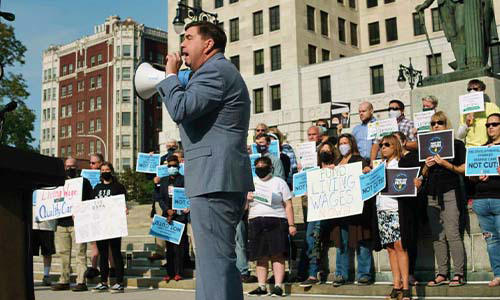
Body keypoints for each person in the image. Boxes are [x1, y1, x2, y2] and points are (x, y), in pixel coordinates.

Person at [155, 21, 254, 300]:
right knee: (219, 264)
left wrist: (170, 77)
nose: (182, 45)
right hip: (217, 177)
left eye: (188, 38)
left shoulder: (214, 71)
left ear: (208, 44)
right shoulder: (216, 71)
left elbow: (181, 108)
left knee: (213, 266)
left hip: (213, 180)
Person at [421, 111, 467, 287]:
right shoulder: (426, 146)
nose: (435, 126)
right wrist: (426, 166)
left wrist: (446, 164)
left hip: (450, 191)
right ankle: (442, 273)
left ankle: (459, 273)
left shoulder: (456, 144)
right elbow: (422, 175)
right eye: (432, 123)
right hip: (432, 193)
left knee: (453, 233)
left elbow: (464, 168)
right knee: (437, 236)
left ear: (446, 124)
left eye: (439, 122)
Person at [247, 157, 297, 296]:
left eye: (263, 166)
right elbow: (244, 207)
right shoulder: (250, 183)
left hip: (277, 221)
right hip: (256, 221)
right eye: (258, 166)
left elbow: (288, 205)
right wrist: (247, 199)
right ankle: (261, 286)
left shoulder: (279, 182)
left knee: (277, 255)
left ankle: (278, 286)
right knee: (260, 256)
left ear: (270, 167)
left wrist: (291, 224)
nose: (260, 168)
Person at [329, 134, 373, 287]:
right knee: (342, 242)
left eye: (345, 143)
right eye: (340, 143)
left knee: (361, 240)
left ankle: (364, 274)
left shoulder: (359, 161)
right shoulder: (336, 162)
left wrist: (367, 170)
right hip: (341, 211)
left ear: (351, 144)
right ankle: (341, 274)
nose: (342, 146)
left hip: (357, 210)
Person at [374, 134, 412, 300]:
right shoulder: (380, 166)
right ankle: (396, 286)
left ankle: (406, 288)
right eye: (381, 144)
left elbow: (411, 181)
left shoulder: (401, 163)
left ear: (395, 145)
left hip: (396, 209)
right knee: (390, 248)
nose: (383, 147)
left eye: (387, 144)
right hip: (382, 209)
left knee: (400, 246)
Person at [299, 142, 340, 287]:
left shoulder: (337, 168)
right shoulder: (312, 170)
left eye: (328, 150)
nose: (325, 152)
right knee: (311, 238)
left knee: (315, 234)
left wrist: (335, 171)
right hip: (315, 210)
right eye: (322, 150)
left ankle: (313, 273)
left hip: (330, 211)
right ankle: (313, 271)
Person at [51, 157, 93, 292]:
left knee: (80, 253)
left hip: (78, 223)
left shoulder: (84, 182)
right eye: (68, 166)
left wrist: (81, 212)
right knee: (63, 253)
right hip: (61, 223)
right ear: (64, 167)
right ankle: (64, 280)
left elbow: (89, 201)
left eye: (73, 166)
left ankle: (81, 281)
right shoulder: (58, 182)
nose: (70, 169)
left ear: (78, 167)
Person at [469, 113, 500, 287]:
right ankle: (498, 274)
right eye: (488, 125)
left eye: (494, 124)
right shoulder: (481, 149)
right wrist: (476, 176)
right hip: (481, 201)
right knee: (491, 241)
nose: (490, 127)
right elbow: (471, 178)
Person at [393, 131, 423, 286]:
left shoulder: (412, 157)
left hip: (409, 206)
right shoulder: (390, 161)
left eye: (396, 141)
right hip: (392, 207)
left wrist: (419, 182)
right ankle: (398, 278)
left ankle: (410, 273)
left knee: (409, 240)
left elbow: (420, 175)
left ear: (404, 142)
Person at [91, 162, 127, 293]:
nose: (105, 171)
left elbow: (123, 203)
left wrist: (124, 210)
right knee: (103, 254)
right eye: (102, 170)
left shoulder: (118, 187)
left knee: (116, 253)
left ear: (111, 171)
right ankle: (103, 282)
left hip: (114, 225)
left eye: (107, 169)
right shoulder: (97, 187)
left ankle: (119, 282)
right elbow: (91, 205)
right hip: (100, 225)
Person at [157, 156, 188, 282]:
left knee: (179, 247)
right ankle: (169, 272)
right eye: (169, 166)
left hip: (180, 216)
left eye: (174, 165)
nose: (172, 168)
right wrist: (167, 210)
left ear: (178, 166)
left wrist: (177, 210)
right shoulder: (163, 181)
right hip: (167, 216)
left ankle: (179, 272)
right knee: (169, 247)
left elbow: (186, 197)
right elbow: (160, 198)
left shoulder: (184, 180)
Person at [457, 79, 500, 147]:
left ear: (482, 91)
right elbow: (460, 136)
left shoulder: (491, 107)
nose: (472, 91)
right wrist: (466, 124)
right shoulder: (465, 111)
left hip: (487, 147)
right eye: (469, 89)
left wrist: (496, 143)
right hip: (470, 149)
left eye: (475, 89)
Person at [85, 153, 104, 280]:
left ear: (101, 163)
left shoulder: (108, 177)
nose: (91, 166)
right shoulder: (85, 179)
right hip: (91, 214)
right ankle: (93, 267)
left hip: (104, 214)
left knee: (106, 244)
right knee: (94, 244)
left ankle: (110, 267)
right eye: (90, 163)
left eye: (94, 163)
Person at [32, 203, 57, 286]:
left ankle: (46, 275)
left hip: (47, 225)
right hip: (32, 224)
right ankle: (28, 274)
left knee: (47, 252)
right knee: (29, 252)